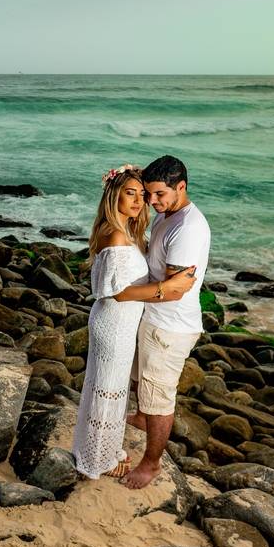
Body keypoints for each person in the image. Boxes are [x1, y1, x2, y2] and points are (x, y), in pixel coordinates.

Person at [72, 164, 197, 480]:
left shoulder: (128, 231)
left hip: (124, 324)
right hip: (113, 324)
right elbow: (108, 292)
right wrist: (165, 289)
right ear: (114, 196)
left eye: (143, 195)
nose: (140, 201)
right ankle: (98, 461)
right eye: (131, 194)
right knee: (107, 391)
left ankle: (103, 450)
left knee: (110, 390)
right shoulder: (115, 235)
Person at [122, 155, 211, 489]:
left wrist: (123, 294)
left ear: (181, 187)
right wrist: (124, 177)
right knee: (139, 380)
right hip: (153, 318)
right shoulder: (168, 213)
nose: (152, 201)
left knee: (159, 398)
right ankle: (142, 418)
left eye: (159, 194)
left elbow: (172, 292)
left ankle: (151, 463)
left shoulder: (187, 228)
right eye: (148, 194)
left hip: (170, 326)